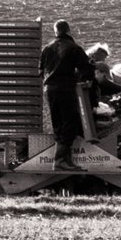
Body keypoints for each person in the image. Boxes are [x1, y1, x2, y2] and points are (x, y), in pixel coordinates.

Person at [39, 19, 96, 170]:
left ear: (56, 32)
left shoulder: (46, 48)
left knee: (57, 123)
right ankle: (61, 160)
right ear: (69, 31)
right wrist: (86, 80)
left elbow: (40, 71)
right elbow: (87, 69)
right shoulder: (74, 47)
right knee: (70, 123)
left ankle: (61, 161)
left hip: (49, 90)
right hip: (65, 89)